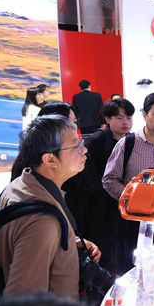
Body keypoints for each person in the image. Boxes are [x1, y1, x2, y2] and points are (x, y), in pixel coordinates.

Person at [0, 115, 100, 299]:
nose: (84, 150)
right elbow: (25, 301)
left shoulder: (23, 183)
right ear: (50, 159)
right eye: (76, 146)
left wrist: (68, 240)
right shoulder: (42, 221)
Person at [103, 92, 154, 274]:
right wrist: (131, 198)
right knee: (132, 269)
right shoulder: (127, 144)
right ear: (144, 114)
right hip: (134, 220)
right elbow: (109, 179)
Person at [11, 102, 105, 259]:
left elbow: (96, 194)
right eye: (66, 122)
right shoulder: (39, 214)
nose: (83, 149)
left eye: (74, 122)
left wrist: (82, 239)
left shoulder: (80, 159)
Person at [84, 97, 134, 269]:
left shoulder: (131, 140)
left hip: (122, 201)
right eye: (120, 118)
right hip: (100, 203)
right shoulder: (97, 140)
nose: (125, 122)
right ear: (108, 119)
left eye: (129, 118)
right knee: (105, 245)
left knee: (123, 245)